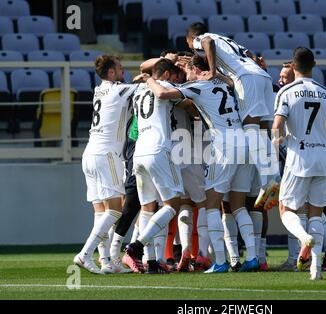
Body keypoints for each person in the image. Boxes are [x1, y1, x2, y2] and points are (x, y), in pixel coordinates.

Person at [147, 55, 260, 273]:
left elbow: (162, 93)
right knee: (237, 205)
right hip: (243, 142)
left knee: (210, 205)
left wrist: (148, 79)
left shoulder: (197, 85)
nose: (185, 75)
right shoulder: (227, 83)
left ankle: (219, 261)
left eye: (187, 71)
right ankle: (253, 258)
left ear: (196, 70)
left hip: (224, 144)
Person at [185, 22, 280, 211]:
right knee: (260, 130)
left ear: (190, 38)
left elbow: (207, 41)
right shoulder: (228, 41)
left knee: (250, 128)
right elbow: (251, 56)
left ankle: (268, 180)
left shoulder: (203, 38)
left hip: (246, 78)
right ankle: (272, 177)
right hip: (261, 76)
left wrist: (212, 72)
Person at [74, 55, 138, 274]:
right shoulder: (119, 90)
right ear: (111, 72)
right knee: (115, 210)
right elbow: (144, 88)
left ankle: (106, 261)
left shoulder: (98, 90)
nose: (123, 72)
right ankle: (84, 254)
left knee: (100, 211)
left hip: (89, 152)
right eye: (120, 68)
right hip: (107, 155)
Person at [272, 48, 326, 280]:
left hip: (298, 158)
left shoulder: (287, 92)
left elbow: (277, 127)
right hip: (322, 158)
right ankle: (315, 269)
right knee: (316, 213)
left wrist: (273, 157)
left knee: (287, 209)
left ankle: (303, 238)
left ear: (293, 67)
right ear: (314, 64)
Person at [124, 59, 185, 273]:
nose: (178, 79)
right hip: (158, 150)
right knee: (172, 204)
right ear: (166, 75)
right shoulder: (165, 86)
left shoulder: (139, 90)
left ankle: (151, 262)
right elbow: (180, 99)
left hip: (139, 152)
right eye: (175, 74)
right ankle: (137, 245)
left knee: (148, 208)